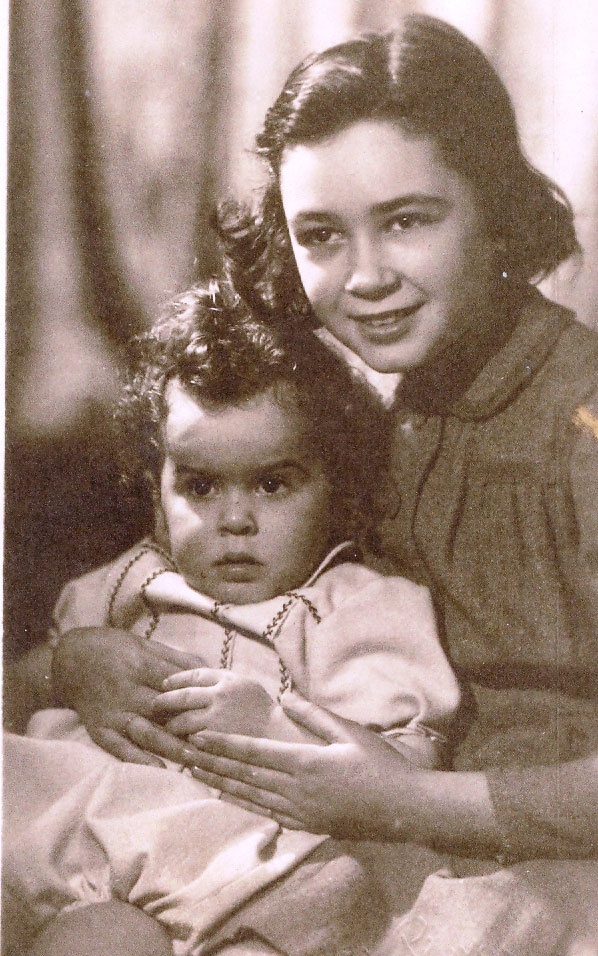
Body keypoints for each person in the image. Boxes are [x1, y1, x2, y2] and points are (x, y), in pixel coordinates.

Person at [26, 13, 597, 954]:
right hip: (353, 835)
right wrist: (75, 666)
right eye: (321, 235)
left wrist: (406, 797)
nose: (366, 277)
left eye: (408, 221)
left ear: (494, 203)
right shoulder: (371, 420)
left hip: (534, 876)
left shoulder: (579, 423)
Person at [4, 282, 463, 956]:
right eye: (200, 486)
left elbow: (406, 770)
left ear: (334, 487)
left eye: (273, 484)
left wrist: (269, 724)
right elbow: (15, 699)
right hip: (86, 866)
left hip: (258, 885)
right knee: (93, 938)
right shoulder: (116, 591)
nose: (235, 520)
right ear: (156, 492)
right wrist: (66, 668)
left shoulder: (354, 606)